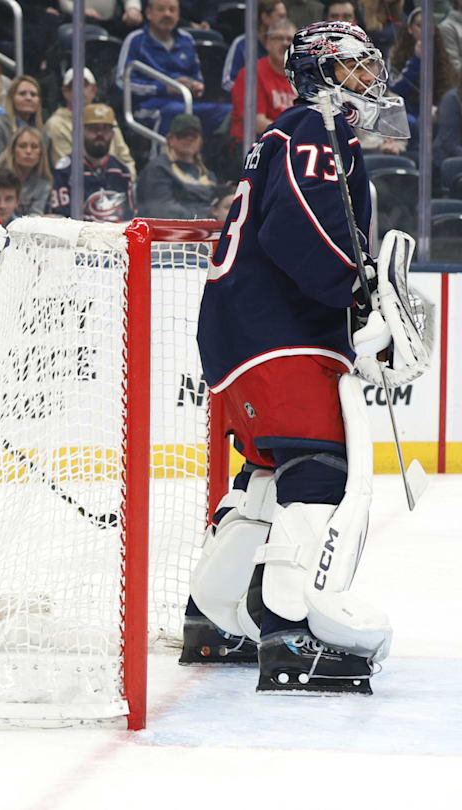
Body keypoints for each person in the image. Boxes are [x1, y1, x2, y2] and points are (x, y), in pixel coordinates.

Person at [187, 21, 416, 693]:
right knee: (319, 471)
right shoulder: (315, 129)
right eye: (354, 67)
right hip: (278, 333)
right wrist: (356, 291)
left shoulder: (301, 131)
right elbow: (299, 224)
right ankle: (292, 634)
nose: (369, 79)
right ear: (321, 73)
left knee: (266, 476)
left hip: (248, 335)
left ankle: (215, 617)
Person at [118, 0, 232, 137]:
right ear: (148, 13)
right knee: (175, 112)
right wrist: (163, 88)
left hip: (186, 103)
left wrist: (195, 86)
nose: (167, 14)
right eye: (161, 9)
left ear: (178, 15)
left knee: (228, 112)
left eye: (172, 10)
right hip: (149, 107)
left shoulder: (187, 40)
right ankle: (164, 157)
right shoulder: (135, 40)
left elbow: (197, 76)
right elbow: (122, 82)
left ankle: (213, 156)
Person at [48, 103, 134, 223]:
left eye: (105, 129)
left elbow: (129, 218)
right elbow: (61, 220)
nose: (100, 134)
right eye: (93, 129)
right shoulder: (65, 170)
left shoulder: (122, 172)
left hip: (116, 237)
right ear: (80, 132)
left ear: (113, 134)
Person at [45, 68, 137, 177]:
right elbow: (65, 167)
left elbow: (126, 160)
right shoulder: (55, 124)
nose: (79, 90)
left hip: (115, 185)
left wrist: (128, 178)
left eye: (84, 85)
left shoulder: (107, 118)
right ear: (65, 92)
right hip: (78, 188)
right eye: (73, 86)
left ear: (93, 90)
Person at [230, 19, 298, 147]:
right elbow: (257, 123)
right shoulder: (251, 74)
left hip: (291, 142)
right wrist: (297, 133)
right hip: (255, 144)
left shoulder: (302, 76)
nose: (285, 43)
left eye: (290, 39)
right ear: (267, 43)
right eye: (278, 38)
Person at [138, 113, 216, 218]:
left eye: (194, 135)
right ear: (170, 139)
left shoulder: (208, 175)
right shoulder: (157, 169)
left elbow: (218, 206)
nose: (189, 139)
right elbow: (161, 211)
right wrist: (208, 215)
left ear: (200, 140)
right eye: (183, 134)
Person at [222, 0, 288, 93]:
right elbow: (228, 82)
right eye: (281, 16)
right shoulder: (242, 44)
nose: (285, 21)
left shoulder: (287, 46)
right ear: (265, 18)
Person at [0, 74, 45, 163]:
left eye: (33, 95)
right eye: (22, 94)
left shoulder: (43, 135)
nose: (29, 98)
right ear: (11, 98)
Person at [0, 125, 51, 216]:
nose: (28, 151)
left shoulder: (44, 185)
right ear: (13, 150)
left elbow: (35, 216)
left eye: (34, 147)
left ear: (41, 153)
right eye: (22, 146)